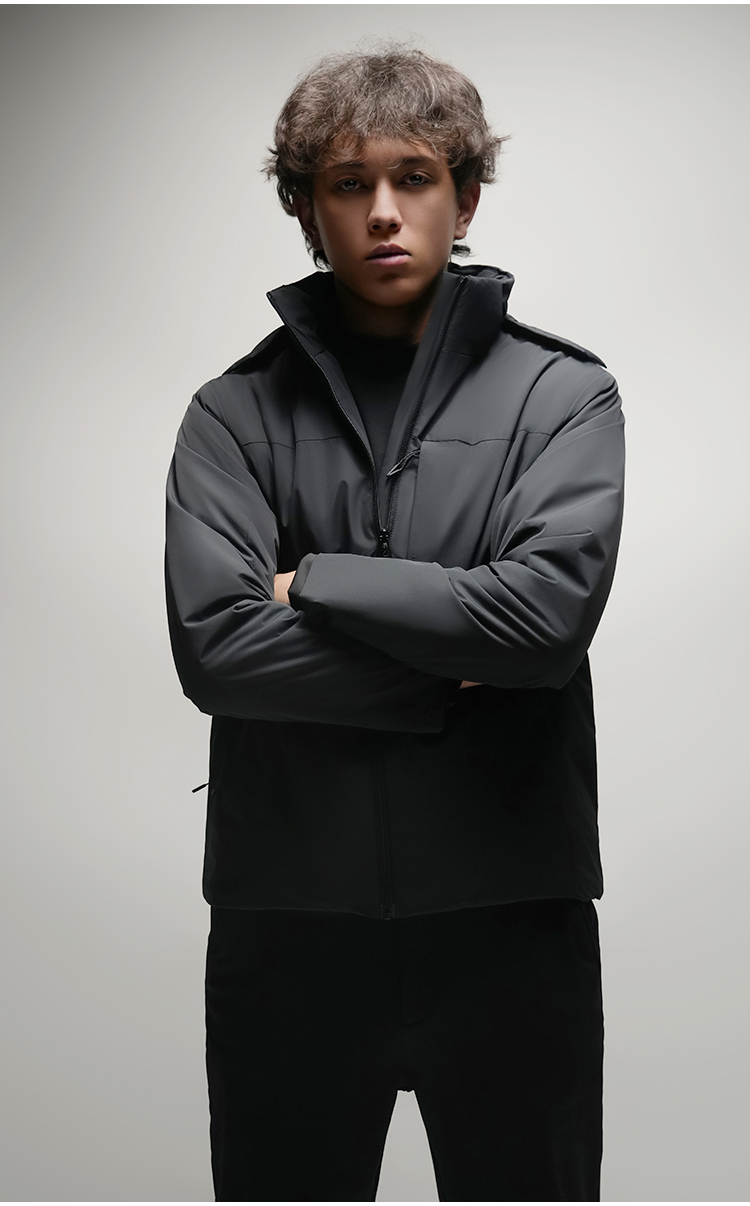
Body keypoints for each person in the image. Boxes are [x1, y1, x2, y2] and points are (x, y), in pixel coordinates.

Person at [165, 43, 625, 1203]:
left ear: (463, 200)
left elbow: (543, 624)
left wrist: (312, 580)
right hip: (289, 925)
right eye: (346, 182)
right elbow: (215, 650)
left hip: (513, 921)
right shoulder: (231, 416)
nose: (382, 211)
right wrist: (453, 668)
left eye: (414, 177)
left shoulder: (561, 396)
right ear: (305, 209)